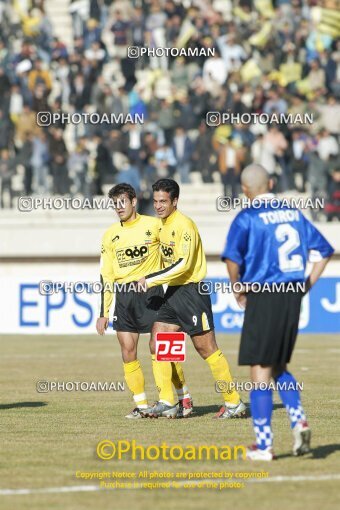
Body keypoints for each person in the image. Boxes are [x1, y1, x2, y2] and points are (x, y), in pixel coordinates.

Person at [222, 164, 334, 460]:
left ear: (245, 190)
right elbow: (325, 251)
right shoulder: (294, 213)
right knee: (278, 364)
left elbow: (232, 258)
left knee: (259, 367)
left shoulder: (247, 216)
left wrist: (237, 287)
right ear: (271, 182)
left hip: (265, 294)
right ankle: (298, 420)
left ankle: (264, 445)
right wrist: (304, 286)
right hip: (291, 295)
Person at [138, 179, 246, 419]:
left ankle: (233, 402)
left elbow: (183, 264)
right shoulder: (162, 225)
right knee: (158, 341)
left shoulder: (185, 225)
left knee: (205, 348)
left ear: (175, 201)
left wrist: (151, 279)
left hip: (191, 293)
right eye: (155, 201)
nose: (158, 206)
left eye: (163, 201)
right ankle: (169, 401)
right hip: (173, 293)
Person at [96, 183, 193, 419]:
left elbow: (174, 244)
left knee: (162, 349)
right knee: (128, 351)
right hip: (124, 296)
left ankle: (184, 398)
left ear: (134, 201)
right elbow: (105, 275)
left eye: (122, 202)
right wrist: (104, 311)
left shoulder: (154, 225)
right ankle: (141, 405)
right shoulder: (110, 235)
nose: (119, 207)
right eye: (115, 203)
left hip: (152, 293)